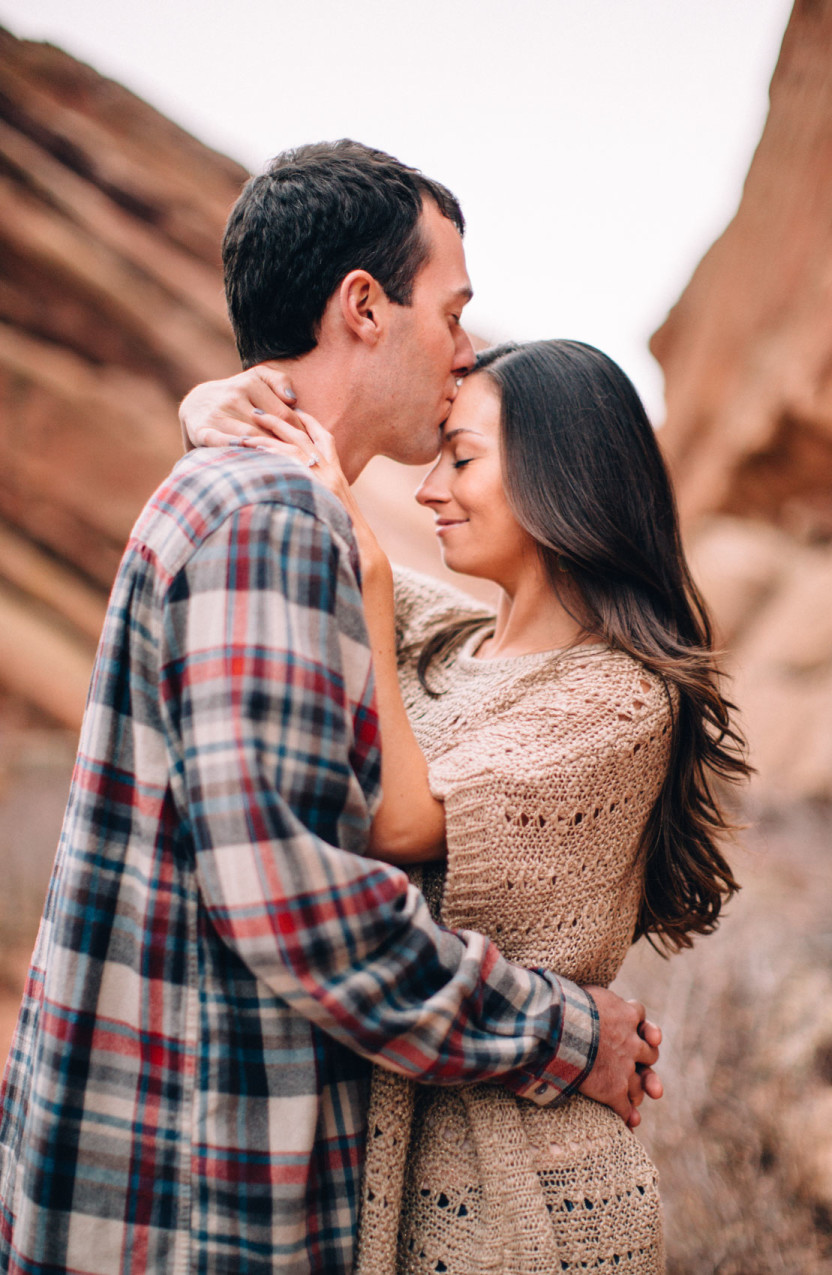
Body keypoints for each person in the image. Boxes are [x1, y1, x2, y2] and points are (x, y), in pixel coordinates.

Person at [0, 142, 661, 1275]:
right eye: (450, 312)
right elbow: (304, 911)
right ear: (364, 305)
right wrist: (566, 1033)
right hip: (202, 1187)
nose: (462, 351)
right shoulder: (273, 518)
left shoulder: (248, 498)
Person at [191, 337, 749, 1273]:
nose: (428, 488)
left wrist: (369, 572)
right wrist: (212, 410)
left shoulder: (618, 699)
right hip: (400, 1157)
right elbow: (312, 554)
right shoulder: (454, 644)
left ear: (559, 470)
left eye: (462, 457)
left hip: (533, 1194)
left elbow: (401, 820)